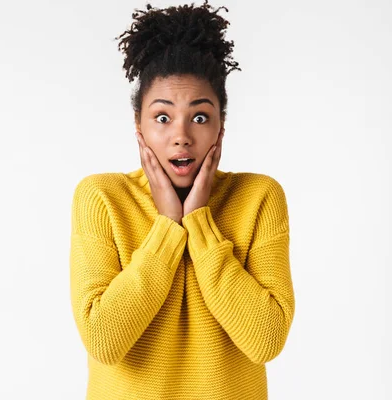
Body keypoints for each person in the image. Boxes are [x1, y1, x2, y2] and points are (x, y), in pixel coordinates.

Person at [69, 1, 295, 399]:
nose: (181, 136)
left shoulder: (258, 197)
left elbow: (266, 340)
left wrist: (199, 223)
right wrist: (167, 228)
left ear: (221, 125)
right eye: (162, 117)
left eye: (200, 116)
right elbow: (104, 340)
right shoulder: (102, 198)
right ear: (137, 124)